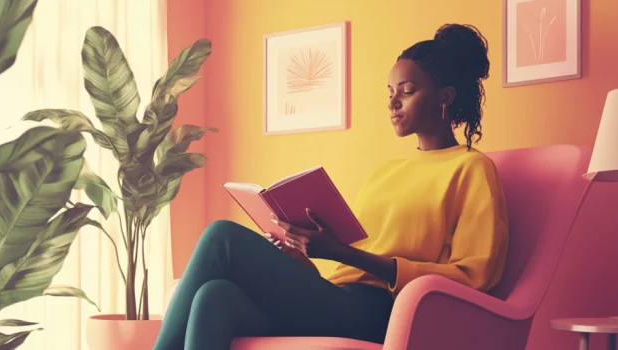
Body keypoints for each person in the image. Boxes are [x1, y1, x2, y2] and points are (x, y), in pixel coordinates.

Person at [152, 23, 509, 350]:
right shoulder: (387, 172)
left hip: (382, 313)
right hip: (335, 299)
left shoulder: (471, 169)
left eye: (408, 91)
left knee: (221, 237)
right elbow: (344, 268)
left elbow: (472, 278)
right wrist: (301, 253)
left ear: (445, 97)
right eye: (389, 92)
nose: (392, 102)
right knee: (214, 297)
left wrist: (339, 251)